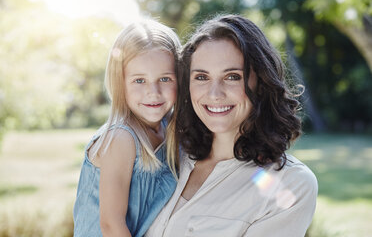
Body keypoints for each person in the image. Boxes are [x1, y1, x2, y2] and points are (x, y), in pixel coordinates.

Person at [145, 14, 318, 237]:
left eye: (233, 77)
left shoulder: (291, 184)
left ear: (261, 83)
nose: (215, 93)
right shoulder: (165, 157)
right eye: (201, 77)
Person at [73, 19, 181, 237]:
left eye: (165, 78)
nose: (154, 91)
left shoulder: (169, 129)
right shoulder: (121, 138)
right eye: (139, 80)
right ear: (120, 82)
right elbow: (111, 225)